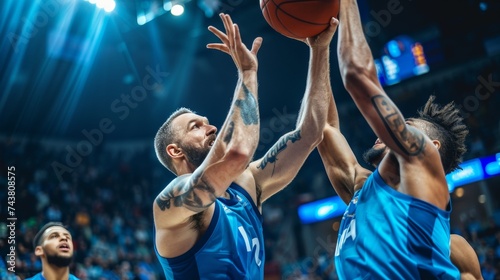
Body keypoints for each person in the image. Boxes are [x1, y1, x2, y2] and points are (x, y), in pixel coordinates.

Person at [152, 13, 338, 279]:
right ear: (175, 150)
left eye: (206, 122)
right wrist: (248, 72)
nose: (212, 127)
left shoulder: (248, 183)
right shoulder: (171, 204)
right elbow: (237, 154)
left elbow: (311, 132)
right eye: (196, 126)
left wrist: (320, 48)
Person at [316, 0, 478, 278]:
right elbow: (322, 128)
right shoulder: (361, 189)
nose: (392, 129)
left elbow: (356, 74)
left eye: (408, 125)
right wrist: (317, 48)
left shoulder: (456, 248)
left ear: (432, 146)